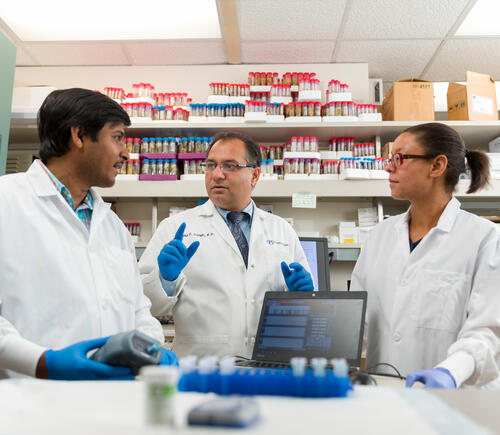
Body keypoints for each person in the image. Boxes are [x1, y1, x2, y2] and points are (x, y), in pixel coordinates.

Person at [0, 88, 177, 380]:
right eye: (117, 137)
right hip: (27, 406)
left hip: (110, 404)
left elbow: (137, 311)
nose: (126, 152)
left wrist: (152, 347)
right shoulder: (7, 201)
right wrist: (44, 362)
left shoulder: (112, 226)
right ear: (80, 136)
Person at [351, 122, 500, 389]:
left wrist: (450, 373)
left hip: (454, 398)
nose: (388, 167)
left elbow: (487, 332)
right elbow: (358, 320)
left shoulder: (486, 239)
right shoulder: (379, 236)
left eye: (400, 158)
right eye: (389, 158)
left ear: (436, 166)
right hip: (385, 394)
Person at [139, 132, 314, 358]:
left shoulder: (282, 230)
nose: (217, 174)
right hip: (201, 368)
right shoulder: (174, 228)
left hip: (269, 365)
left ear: (255, 175)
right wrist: (165, 279)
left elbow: (308, 311)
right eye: (211, 165)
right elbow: (144, 306)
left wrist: (302, 295)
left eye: (229, 166)